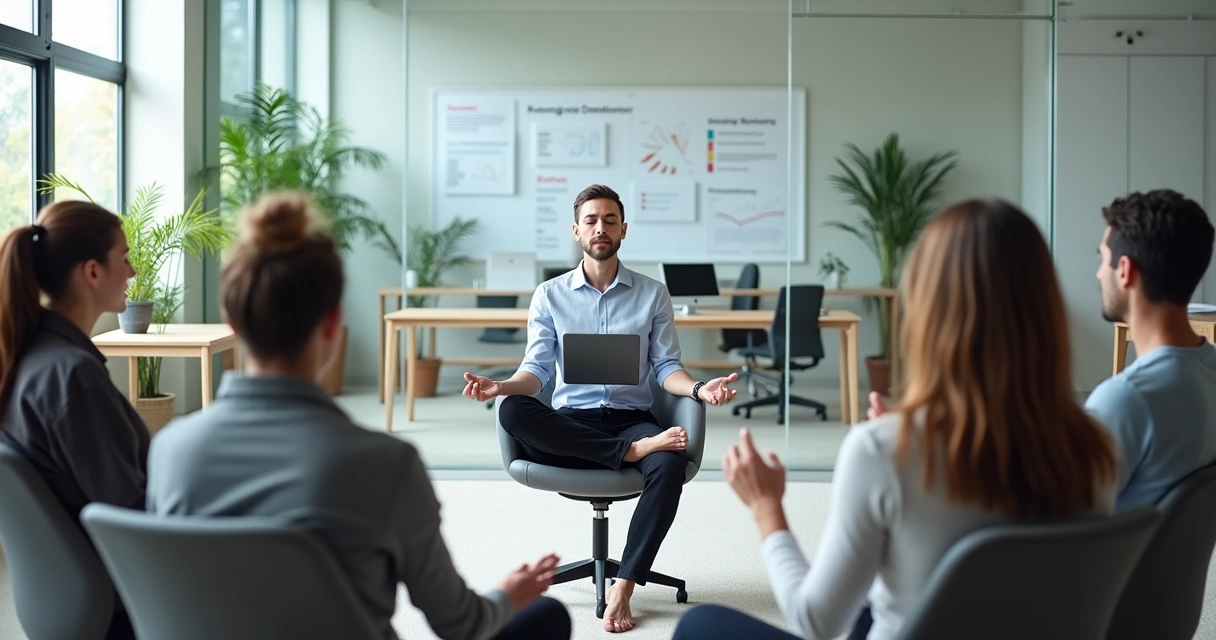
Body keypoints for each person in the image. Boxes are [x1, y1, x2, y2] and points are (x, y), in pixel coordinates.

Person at [673, 199, 1119, 640]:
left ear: (929, 312)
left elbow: (816, 620)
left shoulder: (881, 451)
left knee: (699, 625)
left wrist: (766, 506)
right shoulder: (1097, 445)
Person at [146, 192, 571, 640]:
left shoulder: (170, 450)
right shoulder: (384, 465)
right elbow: (462, 625)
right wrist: (508, 593)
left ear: (231, 321)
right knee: (546, 617)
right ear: (332, 323)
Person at [461, 183, 738, 633]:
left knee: (667, 463)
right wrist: (501, 386)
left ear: (624, 229)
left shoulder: (652, 294)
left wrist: (700, 390)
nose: (600, 228)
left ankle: (625, 585)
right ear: (576, 230)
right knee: (512, 410)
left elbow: (667, 368)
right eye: (591, 220)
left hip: (632, 423)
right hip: (573, 426)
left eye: (610, 220)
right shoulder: (550, 295)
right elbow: (536, 372)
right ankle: (627, 454)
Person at [0, 200, 147, 640]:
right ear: (93, 272)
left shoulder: (25, 358)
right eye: (123, 258)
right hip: (132, 599)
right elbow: (129, 513)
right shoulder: (72, 377)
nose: (133, 272)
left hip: (77, 592)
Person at [1086, 189, 1216, 512]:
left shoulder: (1125, 399)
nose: (1098, 273)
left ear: (1125, 270)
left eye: (1102, 258)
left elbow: (1064, 521)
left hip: (1112, 564)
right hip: (1174, 564)